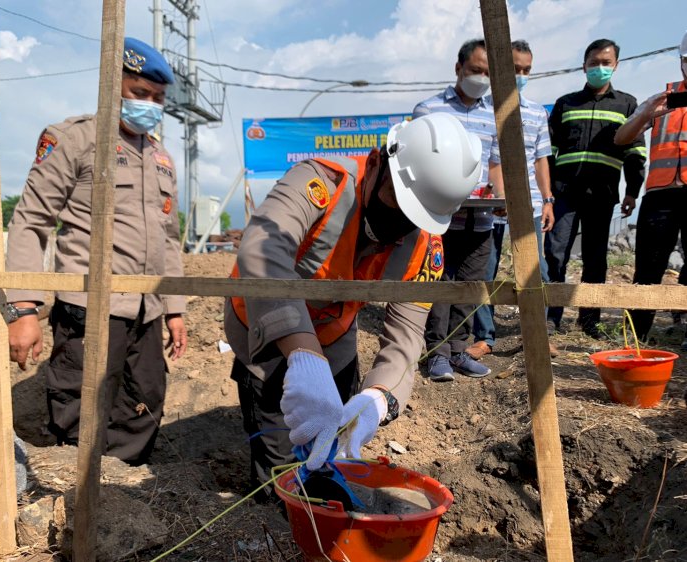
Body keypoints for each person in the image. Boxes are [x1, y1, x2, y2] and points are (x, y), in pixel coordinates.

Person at [225, 112, 482, 501]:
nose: (399, 220)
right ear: (378, 162)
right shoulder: (320, 183)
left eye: (414, 215)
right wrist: (303, 356)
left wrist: (380, 395)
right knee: (281, 467)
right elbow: (262, 249)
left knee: (331, 454)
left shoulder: (425, 244)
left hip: (335, 335)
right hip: (264, 325)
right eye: (396, 199)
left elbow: (407, 332)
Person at [5, 37, 187, 466]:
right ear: (112, 86)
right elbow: (30, 222)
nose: (149, 105)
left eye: (158, 98)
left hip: (146, 311)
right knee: (82, 408)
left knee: (144, 402)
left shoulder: (160, 157)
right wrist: (23, 309)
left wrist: (175, 307)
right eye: (140, 94)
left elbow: (169, 239)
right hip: (89, 308)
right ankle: (80, 501)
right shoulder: (73, 139)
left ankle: (123, 495)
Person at [413, 39, 503, 381]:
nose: (480, 78)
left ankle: (458, 350)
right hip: (438, 219)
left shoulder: (494, 115)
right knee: (440, 281)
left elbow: (494, 166)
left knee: (469, 285)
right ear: (458, 68)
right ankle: (436, 353)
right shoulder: (428, 110)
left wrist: (500, 196)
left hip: (480, 218)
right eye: (475, 70)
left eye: (487, 73)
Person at [544, 38, 646, 339]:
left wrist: (632, 191)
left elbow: (636, 151)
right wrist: (548, 194)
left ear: (615, 66)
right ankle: (552, 318)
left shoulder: (627, 104)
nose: (599, 68)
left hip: (602, 194)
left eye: (606, 63)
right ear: (584, 66)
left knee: (595, 258)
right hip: (565, 193)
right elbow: (548, 153)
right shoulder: (566, 104)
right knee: (555, 255)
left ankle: (590, 320)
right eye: (594, 63)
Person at [468, 40, 556, 359]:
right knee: (485, 270)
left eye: (526, 70)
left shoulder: (535, 113)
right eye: (515, 68)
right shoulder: (479, 110)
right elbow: (486, 160)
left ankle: (537, 333)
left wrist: (547, 200)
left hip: (529, 204)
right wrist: (498, 196)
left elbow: (541, 159)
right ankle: (484, 337)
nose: (520, 74)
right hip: (488, 206)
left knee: (536, 271)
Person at [614, 30, 687, 348]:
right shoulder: (663, 98)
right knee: (647, 267)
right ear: (683, 63)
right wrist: (645, 114)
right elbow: (621, 137)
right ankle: (636, 336)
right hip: (660, 196)